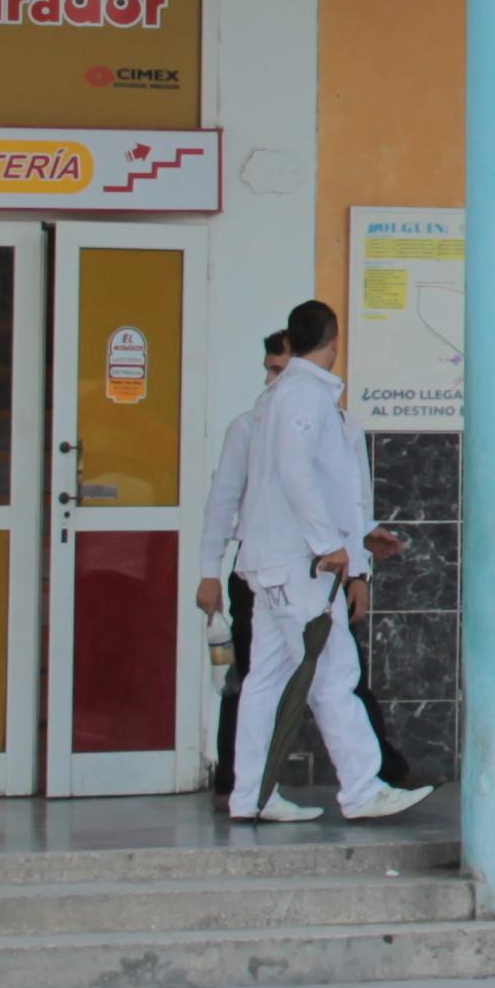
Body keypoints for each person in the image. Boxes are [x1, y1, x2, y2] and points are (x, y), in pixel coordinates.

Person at [225, 300, 429, 826]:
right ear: (334, 341)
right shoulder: (305, 396)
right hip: (297, 566)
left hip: (272, 564)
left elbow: (320, 483)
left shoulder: (278, 399)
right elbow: (297, 474)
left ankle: (251, 794)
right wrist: (328, 545)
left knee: (266, 680)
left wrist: (357, 536)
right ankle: (362, 788)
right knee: (334, 672)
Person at [196, 325, 291, 792]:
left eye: (283, 371)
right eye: (270, 370)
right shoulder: (247, 428)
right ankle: (235, 779)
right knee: (250, 677)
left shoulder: (333, 426)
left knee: (338, 678)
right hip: (253, 573)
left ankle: (378, 772)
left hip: (311, 573)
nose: (274, 382)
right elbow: (222, 501)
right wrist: (208, 572)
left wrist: (357, 571)